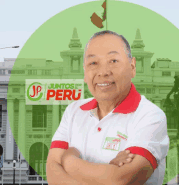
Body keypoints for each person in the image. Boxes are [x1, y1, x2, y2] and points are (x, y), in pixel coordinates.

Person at [46, 30, 169, 185]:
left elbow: (120, 180)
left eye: (113, 61)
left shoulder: (150, 116)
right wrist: (108, 170)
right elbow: (52, 173)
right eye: (93, 63)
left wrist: (69, 161)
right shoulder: (73, 111)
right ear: (84, 72)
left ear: (132, 67)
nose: (103, 72)